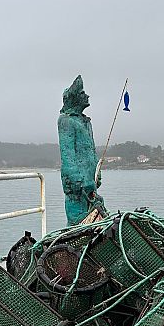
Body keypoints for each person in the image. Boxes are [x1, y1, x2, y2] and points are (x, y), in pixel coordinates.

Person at [58, 75, 106, 226]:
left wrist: (96, 174)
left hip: (90, 185)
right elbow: (68, 157)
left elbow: (91, 150)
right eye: (82, 93)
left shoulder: (85, 122)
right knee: (77, 225)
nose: (86, 96)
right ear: (73, 98)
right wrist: (80, 183)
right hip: (78, 188)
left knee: (94, 226)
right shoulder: (66, 121)